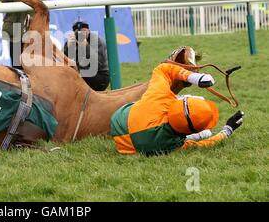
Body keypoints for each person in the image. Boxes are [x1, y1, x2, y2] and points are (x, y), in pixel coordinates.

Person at [110, 49, 245, 156]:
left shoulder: (159, 97)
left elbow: (162, 68)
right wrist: (227, 130)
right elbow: (205, 144)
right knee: (207, 134)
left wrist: (194, 78)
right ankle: (201, 132)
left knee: (203, 123)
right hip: (126, 148)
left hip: (118, 120)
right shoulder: (174, 145)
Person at [64, 19, 110, 91]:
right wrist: (67, 47)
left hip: (101, 76)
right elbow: (65, 60)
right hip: (84, 73)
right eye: (78, 32)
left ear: (88, 30)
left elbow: (97, 64)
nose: (81, 34)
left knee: (78, 75)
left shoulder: (97, 41)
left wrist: (86, 46)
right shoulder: (74, 40)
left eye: (84, 31)